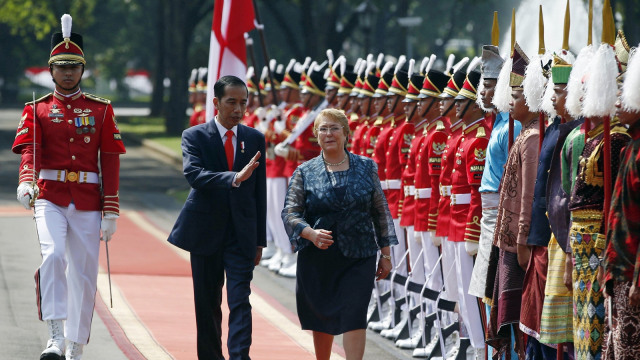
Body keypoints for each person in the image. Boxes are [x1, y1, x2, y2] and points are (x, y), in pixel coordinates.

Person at [12, 14, 126, 360]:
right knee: (54, 256)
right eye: (61, 66)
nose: (67, 72)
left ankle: (77, 346)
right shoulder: (37, 108)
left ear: (82, 69)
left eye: (73, 66)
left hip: (89, 201)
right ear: (50, 70)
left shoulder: (101, 110)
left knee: (84, 272)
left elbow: (110, 158)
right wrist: (26, 180)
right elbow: (31, 148)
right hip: (49, 195)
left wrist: (111, 209)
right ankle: (56, 336)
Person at [281, 108, 397, 360]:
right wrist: (310, 233)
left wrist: (386, 255)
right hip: (318, 258)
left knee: (354, 314)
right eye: (323, 129)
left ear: (346, 133)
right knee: (321, 316)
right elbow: (290, 213)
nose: (328, 133)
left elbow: (380, 211)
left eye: (334, 128)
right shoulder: (304, 171)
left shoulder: (366, 167)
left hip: (359, 256)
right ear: (316, 134)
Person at [167, 75, 266, 360]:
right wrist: (234, 177)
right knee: (208, 304)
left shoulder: (255, 138)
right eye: (231, 102)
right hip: (205, 232)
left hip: (241, 235)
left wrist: (259, 240)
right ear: (216, 103)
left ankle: (239, 357)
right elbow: (194, 175)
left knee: (240, 299)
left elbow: (260, 194)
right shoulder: (194, 136)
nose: (238, 109)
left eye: (243, 103)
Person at [603, 39, 640, 359]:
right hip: (619, 273)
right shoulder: (631, 147)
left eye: (623, 92)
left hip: (633, 277)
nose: (616, 101)